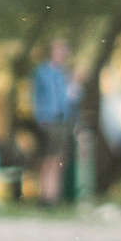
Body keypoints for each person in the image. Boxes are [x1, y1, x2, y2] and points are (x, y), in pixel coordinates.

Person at [31, 39, 78, 203]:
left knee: (58, 159)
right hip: (48, 119)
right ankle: (45, 195)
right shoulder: (42, 71)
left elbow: (72, 96)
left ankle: (53, 196)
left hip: (63, 119)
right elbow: (36, 96)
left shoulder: (64, 74)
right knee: (47, 158)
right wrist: (40, 117)